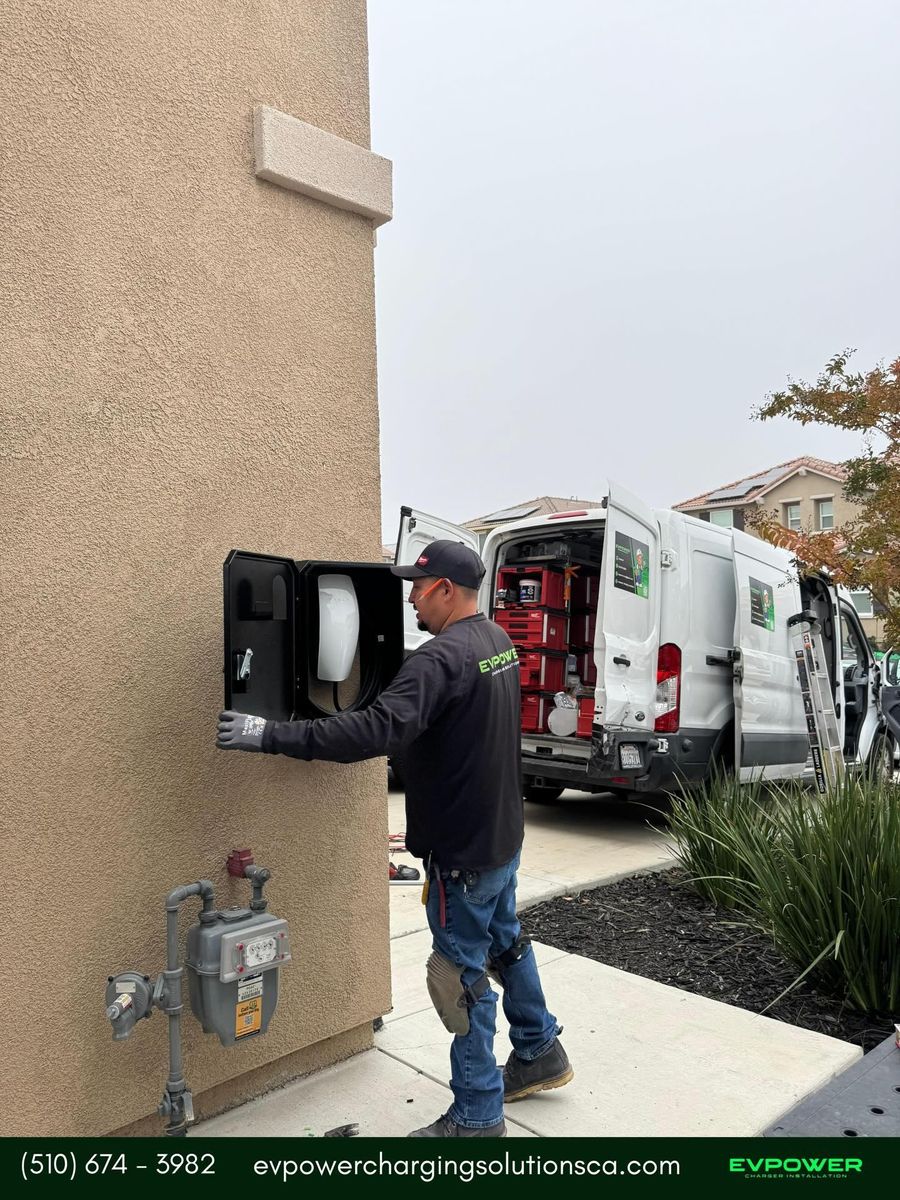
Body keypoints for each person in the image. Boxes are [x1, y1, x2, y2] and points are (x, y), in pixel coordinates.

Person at [217, 539, 572, 1137]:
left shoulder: (440, 660)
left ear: (445, 591)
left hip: (461, 853)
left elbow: (373, 731)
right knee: (503, 945)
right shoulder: (495, 643)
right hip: (501, 839)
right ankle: (541, 1051)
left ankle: (478, 1119)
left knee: (457, 980)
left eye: (418, 586)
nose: (410, 596)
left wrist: (268, 735)